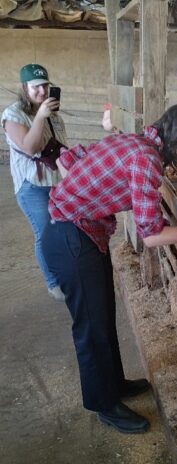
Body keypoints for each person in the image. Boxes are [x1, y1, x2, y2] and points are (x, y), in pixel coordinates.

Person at [41, 102, 177, 434]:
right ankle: (103, 404)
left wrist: (84, 195)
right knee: (90, 328)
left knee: (103, 315)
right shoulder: (146, 158)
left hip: (79, 233)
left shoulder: (135, 143)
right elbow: (151, 236)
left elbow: (70, 161)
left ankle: (114, 384)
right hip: (70, 239)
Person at [1, 63, 67, 301]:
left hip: (55, 181)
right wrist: (40, 116)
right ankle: (53, 283)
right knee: (45, 232)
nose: (42, 91)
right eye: (36, 86)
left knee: (62, 228)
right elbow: (29, 146)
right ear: (24, 87)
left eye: (45, 85)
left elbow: (59, 147)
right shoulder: (13, 114)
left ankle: (64, 273)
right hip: (31, 185)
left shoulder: (53, 114)